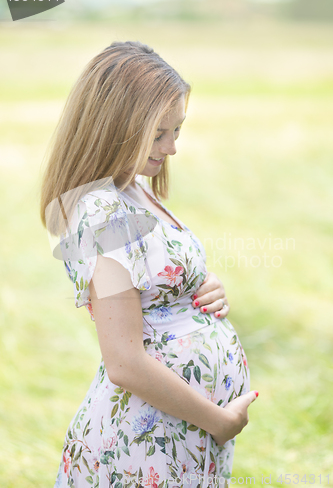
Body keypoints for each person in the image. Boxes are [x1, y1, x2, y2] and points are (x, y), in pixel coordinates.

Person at [40, 41, 258, 488]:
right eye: (158, 133)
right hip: (141, 444)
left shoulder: (137, 188)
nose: (172, 148)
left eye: (177, 130)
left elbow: (157, 280)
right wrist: (217, 421)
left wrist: (204, 287)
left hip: (175, 434)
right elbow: (123, 361)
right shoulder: (101, 211)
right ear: (115, 126)